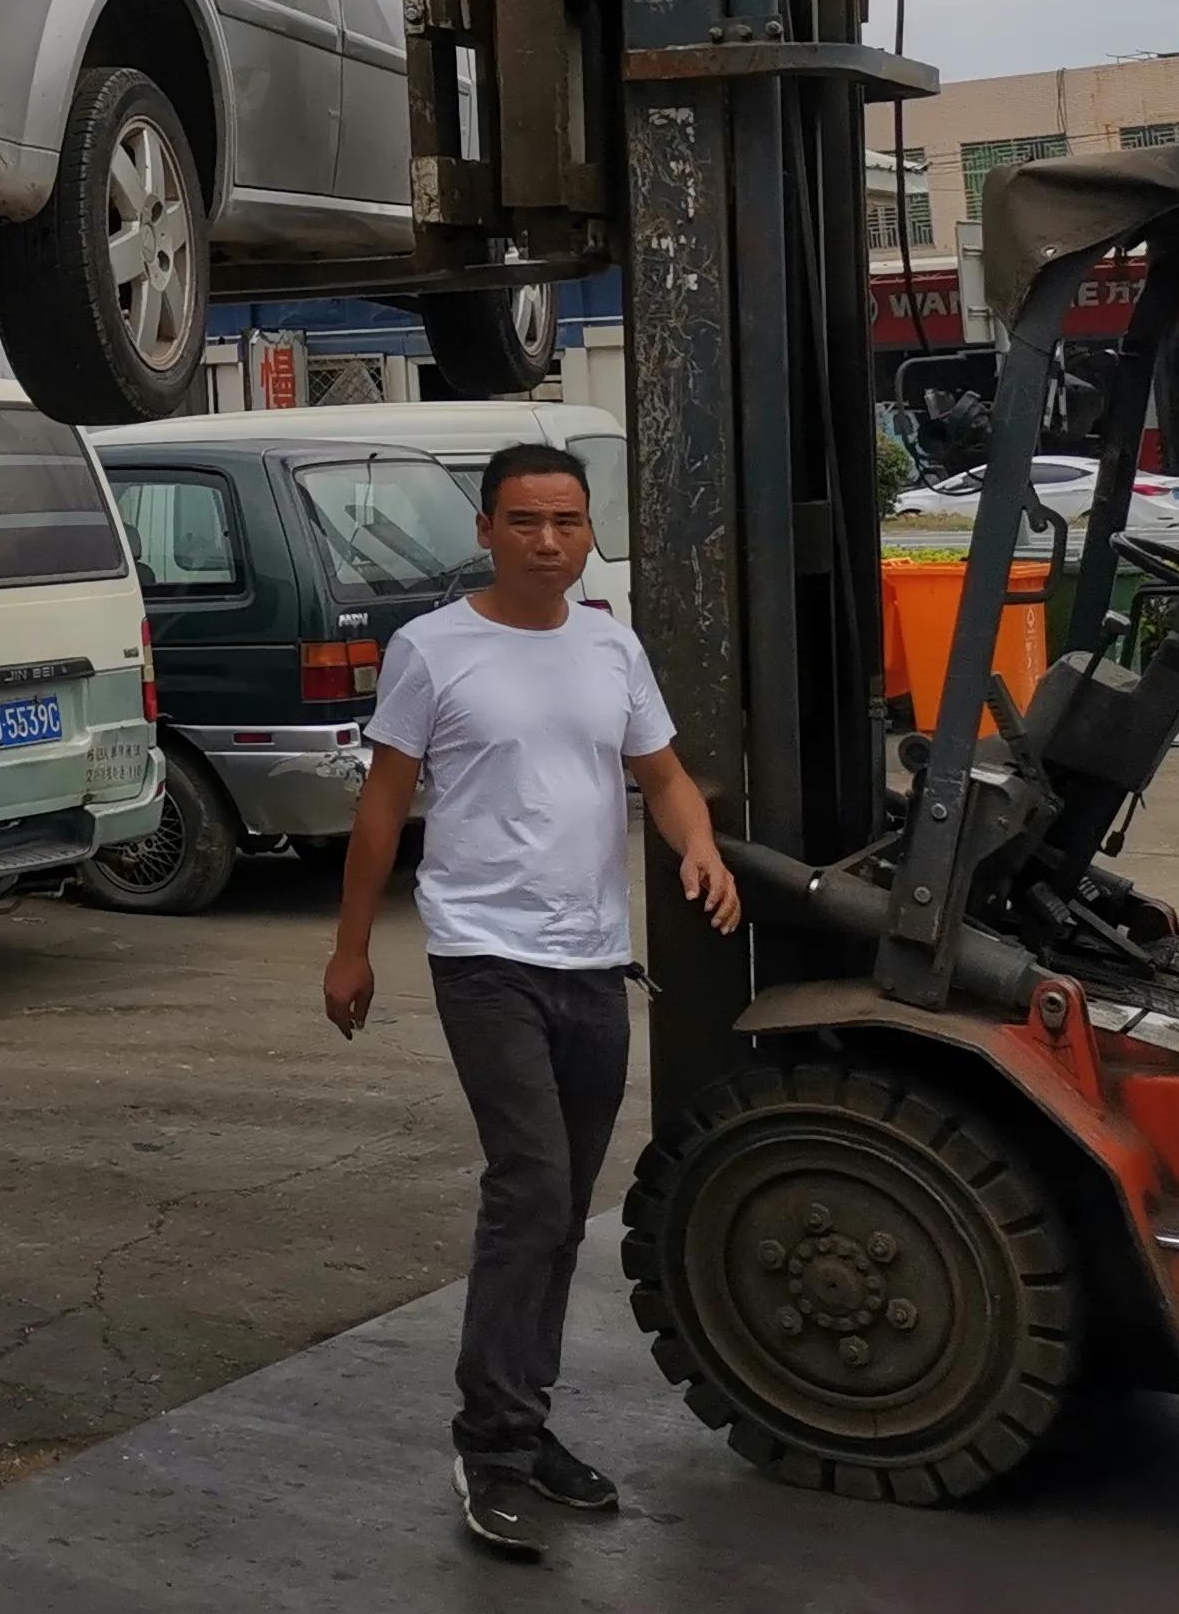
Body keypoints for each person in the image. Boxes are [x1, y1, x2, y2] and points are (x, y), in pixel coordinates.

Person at [322, 440, 739, 1562]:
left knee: (560, 1209)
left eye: (566, 522)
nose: (547, 542)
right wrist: (351, 950)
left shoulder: (610, 644)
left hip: (593, 962)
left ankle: (524, 1418)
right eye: (523, 522)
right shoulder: (432, 648)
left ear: (588, 530)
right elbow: (382, 807)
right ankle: (491, 1445)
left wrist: (700, 848)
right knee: (532, 1187)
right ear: (485, 530)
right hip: (483, 956)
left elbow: (662, 777)